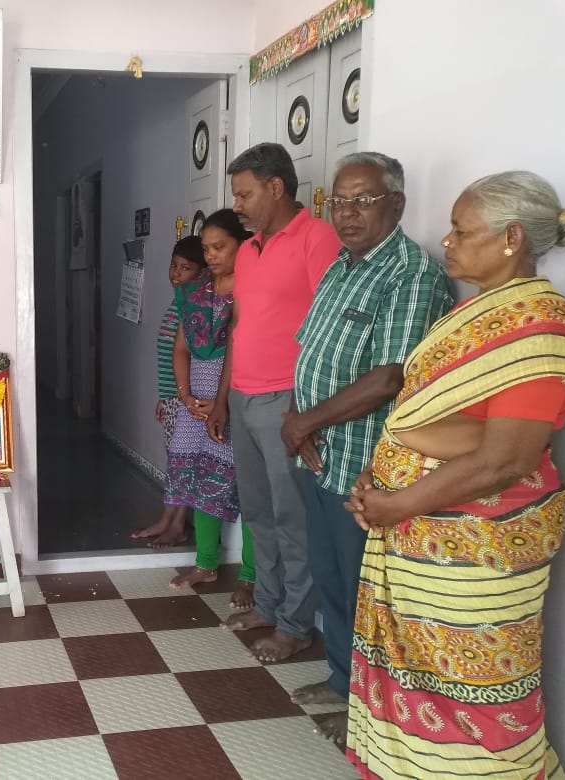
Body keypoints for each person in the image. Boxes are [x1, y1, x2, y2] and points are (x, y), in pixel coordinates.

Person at [344, 171, 565, 780]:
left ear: (511, 239)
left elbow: (506, 460)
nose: (446, 240)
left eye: (461, 230)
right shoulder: (472, 313)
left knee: (474, 693)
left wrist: (397, 503)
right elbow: (417, 411)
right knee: (418, 681)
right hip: (419, 533)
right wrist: (375, 477)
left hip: (476, 549)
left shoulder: (538, 329)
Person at [279, 153, 453, 746]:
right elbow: (311, 351)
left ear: (396, 205)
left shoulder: (413, 275)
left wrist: (303, 423)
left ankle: (369, 712)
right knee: (332, 579)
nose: (347, 213)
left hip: (367, 470)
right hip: (319, 454)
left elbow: (389, 378)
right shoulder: (340, 266)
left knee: (367, 593)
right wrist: (298, 423)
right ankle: (341, 682)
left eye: (363, 201)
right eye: (339, 202)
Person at [206, 142, 342, 662]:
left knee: (293, 517)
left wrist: (306, 411)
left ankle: (295, 624)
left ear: (276, 187)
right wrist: (223, 397)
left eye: (244, 194)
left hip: (287, 399)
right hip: (244, 396)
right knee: (259, 512)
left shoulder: (317, 238)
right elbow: (240, 328)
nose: (236, 205)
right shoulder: (248, 250)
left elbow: (329, 331)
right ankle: (266, 603)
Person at [164, 215, 257, 602]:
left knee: (250, 487)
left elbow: (247, 346)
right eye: (206, 249)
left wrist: (222, 402)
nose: (211, 256)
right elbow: (181, 348)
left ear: (242, 245)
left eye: (219, 247)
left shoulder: (253, 287)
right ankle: (205, 563)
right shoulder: (196, 291)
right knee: (201, 476)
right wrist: (185, 396)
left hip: (238, 394)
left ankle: (250, 575)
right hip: (196, 401)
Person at [131, 236, 204, 548]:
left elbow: (192, 356)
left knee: (184, 461)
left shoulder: (197, 303)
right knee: (176, 461)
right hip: (174, 398)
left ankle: (177, 525)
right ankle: (168, 519)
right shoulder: (180, 299)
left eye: (185, 268)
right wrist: (165, 396)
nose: (176, 273)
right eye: (174, 265)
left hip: (188, 399)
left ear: (202, 271)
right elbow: (170, 355)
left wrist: (183, 397)